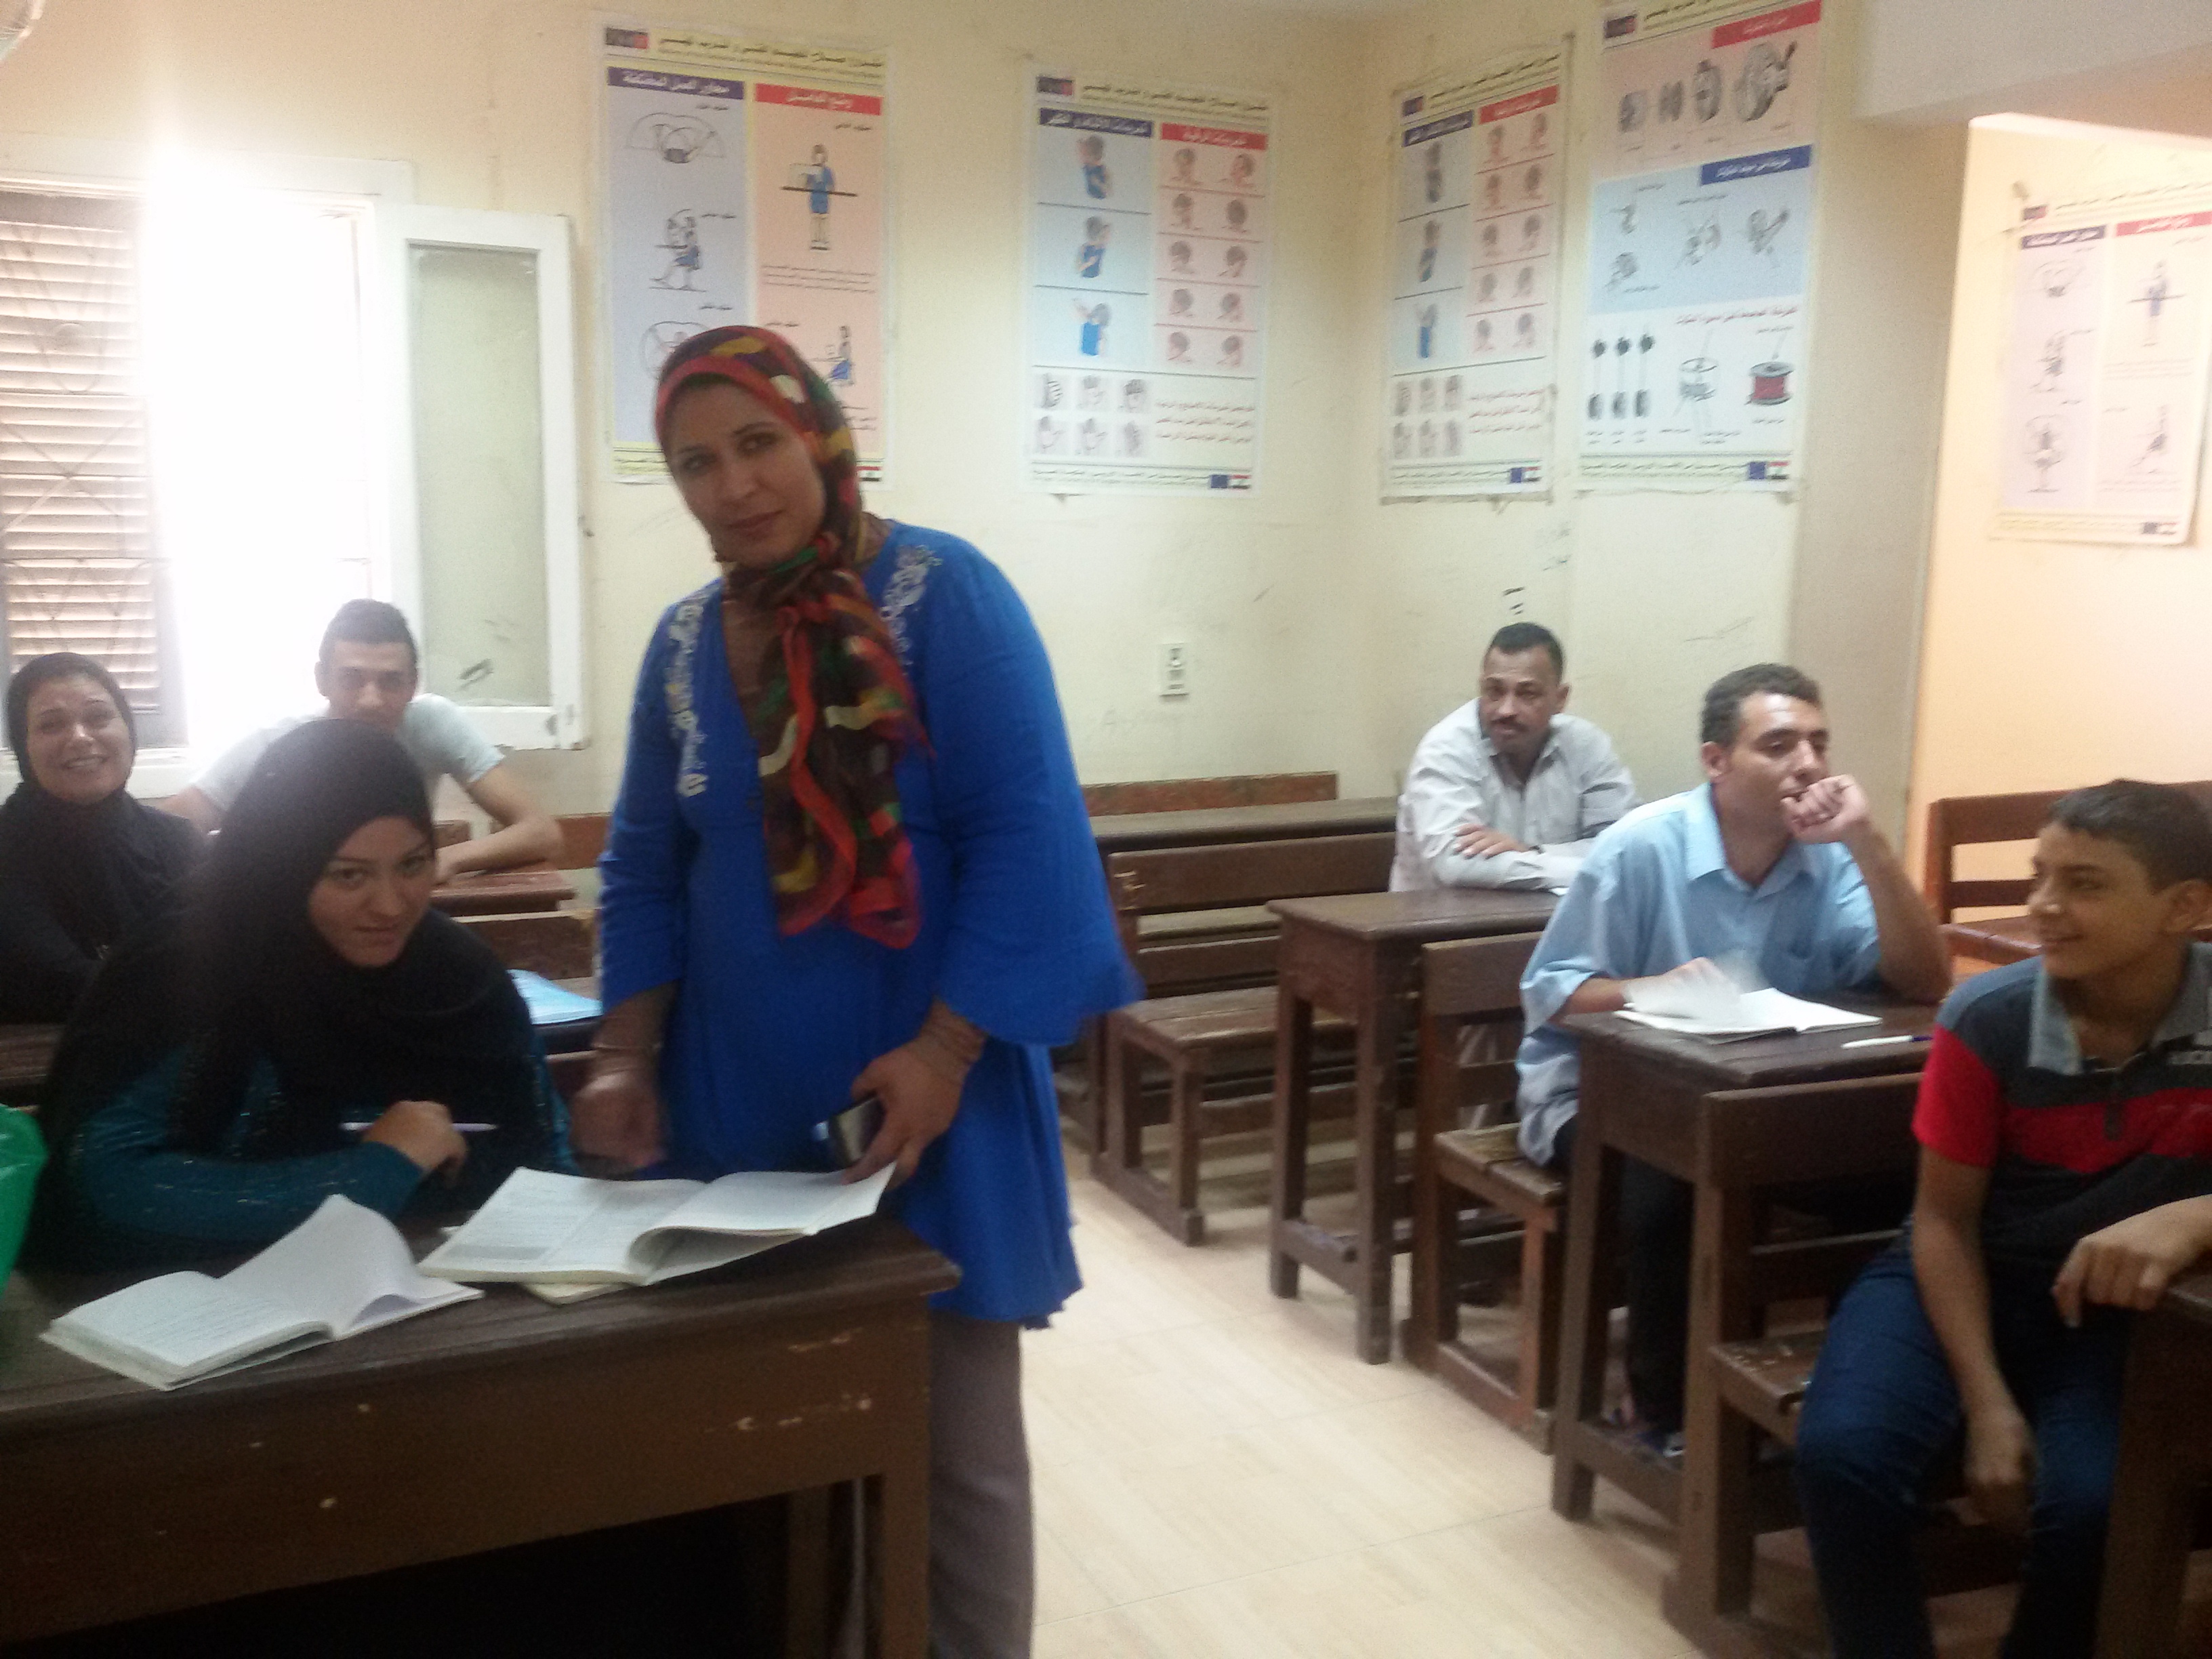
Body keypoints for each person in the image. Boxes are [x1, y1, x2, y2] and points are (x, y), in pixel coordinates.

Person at [580, 325, 1136, 1657]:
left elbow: (1026, 836)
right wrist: (622, 1056)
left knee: (954, 1456)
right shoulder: (679, 645)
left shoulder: (946, 597)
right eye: (694, 462)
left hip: (921, 1111)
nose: (733, 486)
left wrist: (943, 1054)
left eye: (757, 443)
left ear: (820, 438)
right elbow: (643, 865)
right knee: (768, 1440)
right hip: (737, 1115)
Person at [1795, 782, 2212, 1659]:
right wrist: (1987, 1405)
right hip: (1960, 1269)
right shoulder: (1989, 1017)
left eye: (2085, 884)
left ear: (2185, 908)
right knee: (1843, 1456)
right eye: (2039, 876)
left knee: (2095, 1506)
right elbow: (1943, 1224)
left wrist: (2195, 1215)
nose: (2044, 906)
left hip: (2108, 1309)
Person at [1514, 662, 1951, 1447]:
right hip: (1599, 1095)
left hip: (1755, 1095)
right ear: (1716, 760)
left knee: (1895, 1171)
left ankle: (1856, 1402)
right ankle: (1663, 1414)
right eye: (1779, 746)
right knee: (1673, 1184)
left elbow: (1925, 981)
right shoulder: (1641, 847)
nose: (1808, 765)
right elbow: (1552, 993)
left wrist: (1869, 842)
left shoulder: (1830, 858)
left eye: (1819, 744)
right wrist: (1652, 989)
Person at [33, 718, 570, 1269]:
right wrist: (374, 1171)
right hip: (206, 1291)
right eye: (349, 875)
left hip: (441, 1289)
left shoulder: (460, 977)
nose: (390, 906)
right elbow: (106, 1179)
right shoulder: (190, 970)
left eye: (412, 865)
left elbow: (546, 1154)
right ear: (283, 867)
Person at [166, 599, 561, 880]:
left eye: (390, 682)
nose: (371, 701)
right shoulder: (283, 743)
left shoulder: (433, 723)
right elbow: (164, 833)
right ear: (322, 680)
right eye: (352, 679)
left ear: (413, 684)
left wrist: (447, 859)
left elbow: (541, 832)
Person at [0, 653, 199, 1022]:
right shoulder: (7, 850)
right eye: (52, 725)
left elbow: (222, 952)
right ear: (23, 746)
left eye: (98, 717)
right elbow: (57, 979)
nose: (80, 737)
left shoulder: (177, 840)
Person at [1390, 623, 1635, 894]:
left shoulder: (1586, 745)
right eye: (1494, 691)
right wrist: (1570, 864)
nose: (1506, 710)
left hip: (1551, 914)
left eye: (1527, 694)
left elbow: (1627, 848)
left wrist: (1533, 852)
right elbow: (1456, 864)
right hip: (1437, 918)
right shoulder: (1446, 749)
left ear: (1560, 699)